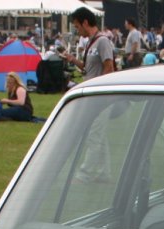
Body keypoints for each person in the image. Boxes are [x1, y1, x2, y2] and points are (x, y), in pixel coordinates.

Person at [62, 6, 114, 183]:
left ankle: (86, 173)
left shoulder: (102, 41)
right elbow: (88, 68)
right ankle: (105, 172)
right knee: (100, 135)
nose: (77, 30)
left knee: (94, 135)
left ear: (85, 23)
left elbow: (109, 67)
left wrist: (102, 92)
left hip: (100, 97)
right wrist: (72, 60)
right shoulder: (91, 43)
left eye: (77, 26)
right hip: (94, 95)